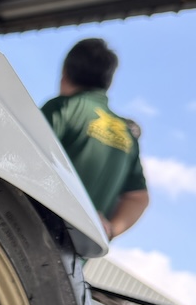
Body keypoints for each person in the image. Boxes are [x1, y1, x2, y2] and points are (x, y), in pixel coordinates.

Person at [41, 38, 149, 242]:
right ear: (108, 81)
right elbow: (138, 198)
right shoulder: (127, 135)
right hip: (73, 256)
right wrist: (108, 230)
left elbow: (23, 160)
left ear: (65, 72)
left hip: (30, 234)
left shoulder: (63, 108)